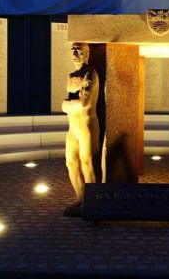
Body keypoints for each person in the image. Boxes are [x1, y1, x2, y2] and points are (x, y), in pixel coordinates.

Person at [62, 42, 100, 217]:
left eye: (79, 50)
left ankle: (93, 202)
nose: (75, 53)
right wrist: (71, 104)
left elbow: (84, 104)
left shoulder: (90, 73)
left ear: (86, 53)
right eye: (73, 50)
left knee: (87, 162)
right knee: (71, 162)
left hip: (86, 125)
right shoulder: (71, 76)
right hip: (73, 127)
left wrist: (69, 104)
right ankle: (80, 199)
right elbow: (64, 105)